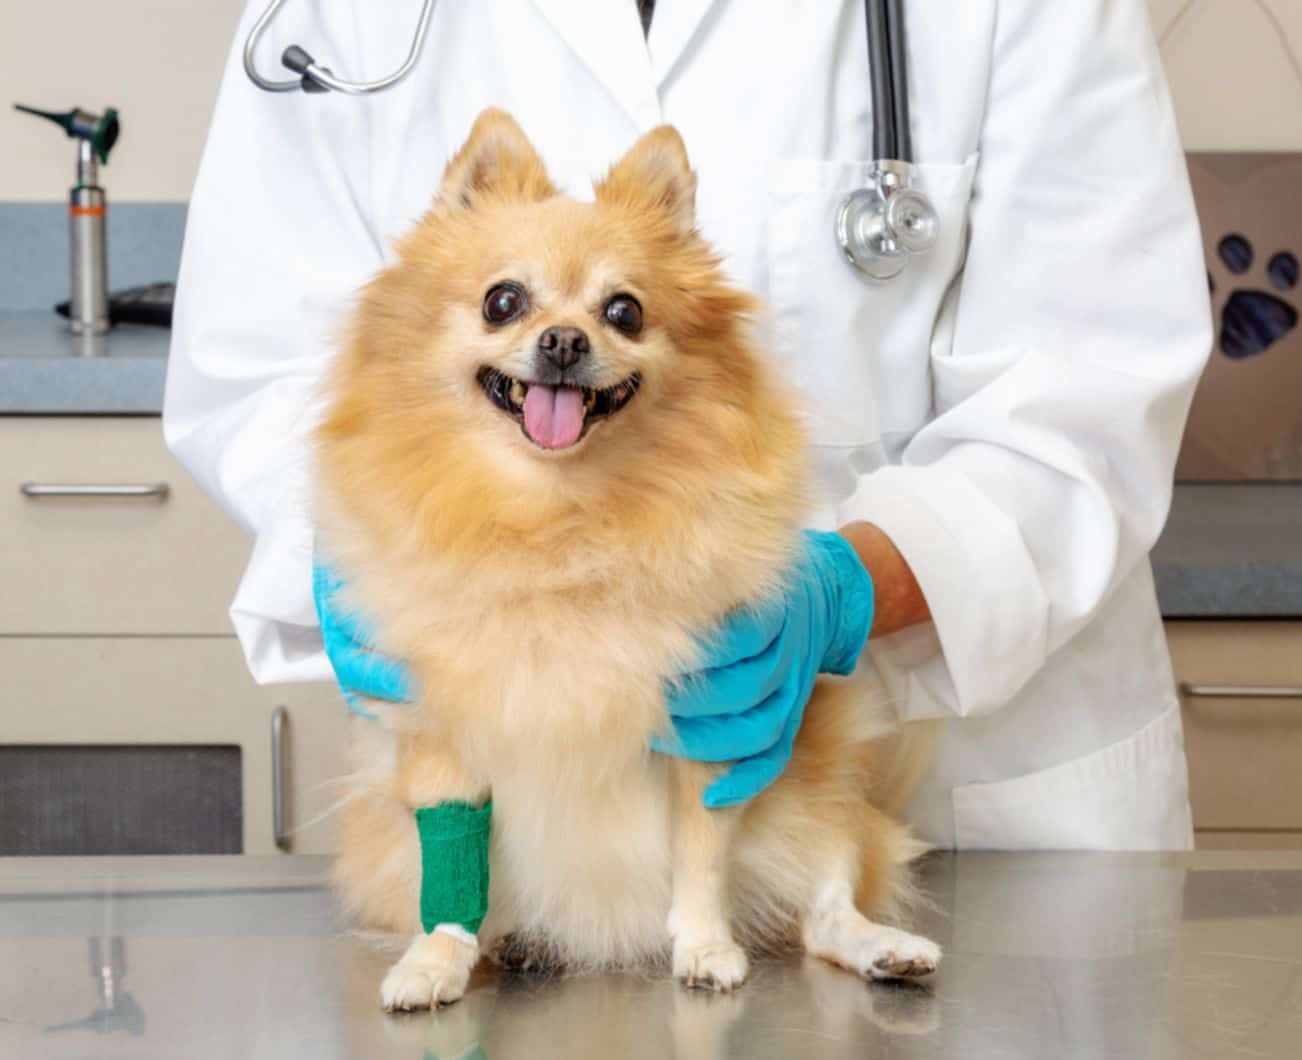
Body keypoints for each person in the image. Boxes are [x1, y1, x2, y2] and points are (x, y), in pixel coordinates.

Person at [165, 0, 1213, 851]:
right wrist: (368, 566)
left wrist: (846, 593)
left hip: (970, 786)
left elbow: (1089, 386)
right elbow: (257, 361)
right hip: (518, 799)